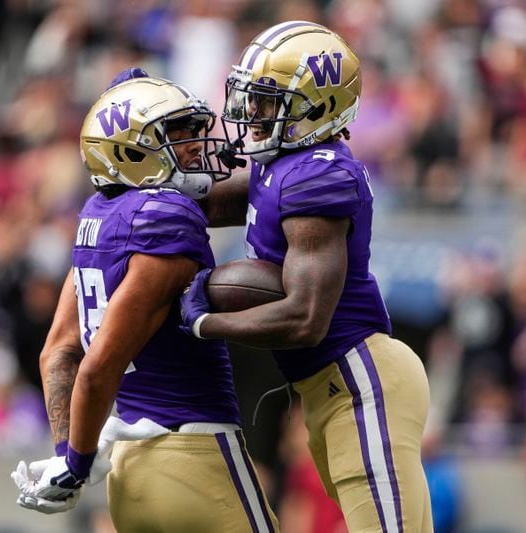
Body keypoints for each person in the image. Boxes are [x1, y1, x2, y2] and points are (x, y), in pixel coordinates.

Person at [181, 21, 433, 533]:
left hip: (360, 379)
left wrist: (205, 322)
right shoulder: (284, 166)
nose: (251, 115)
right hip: (326, 388)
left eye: (268, 103)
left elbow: (304, 318)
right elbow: (200, 203)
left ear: (316, 107)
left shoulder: (318, 176)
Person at [11, 72, 278, 533]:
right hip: (196, 456)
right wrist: (77, 460)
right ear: (130, 150)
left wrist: (70, 453)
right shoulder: (166, 219)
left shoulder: (97, 215)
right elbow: (97, 366)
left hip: (129, 471)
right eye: (177, 133)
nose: (195, 143)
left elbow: (58, 352)